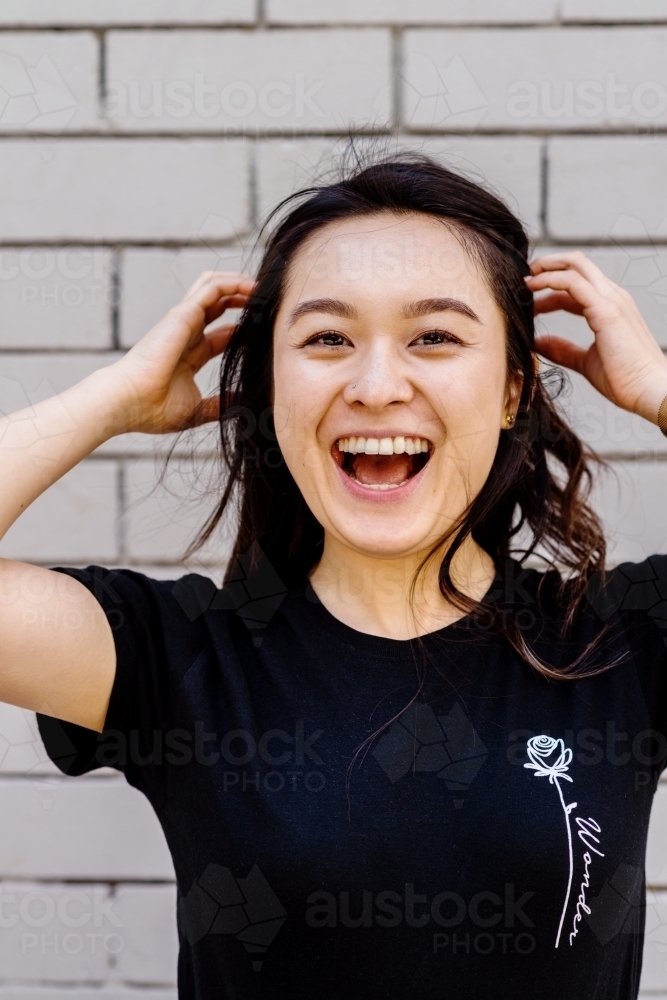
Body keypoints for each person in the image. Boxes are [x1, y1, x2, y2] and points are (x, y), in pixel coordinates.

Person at [1, 153, 666, 999]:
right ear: (271, 387)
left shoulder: (621, 645)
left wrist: (655, 388)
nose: (377, 386)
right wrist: (113, 396)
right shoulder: (181, 660)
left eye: (434, 335)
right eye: (326, 338)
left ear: (511, 390)